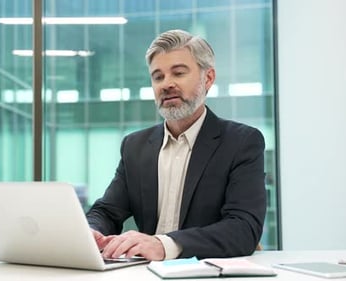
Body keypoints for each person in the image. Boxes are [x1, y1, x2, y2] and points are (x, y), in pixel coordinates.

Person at [86, 29, 266, 261]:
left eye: (178, 73)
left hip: (205, 273)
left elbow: (243, 228)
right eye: (158, 77)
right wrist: (91, 231)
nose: (166, 84)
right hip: (146, 273)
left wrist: (164, 245)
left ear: (208, 78)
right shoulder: (135, 145)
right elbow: (107, 211)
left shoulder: (242, 142)